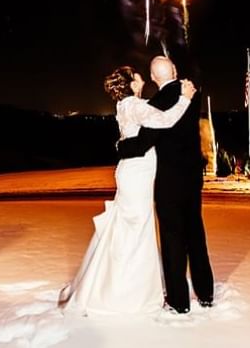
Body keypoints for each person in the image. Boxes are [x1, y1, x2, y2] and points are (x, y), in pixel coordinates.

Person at [58, 65, 197, 315]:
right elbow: (164, 121)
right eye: (137, 76)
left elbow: (132, 135)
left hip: (131, 172)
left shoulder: (126, 105)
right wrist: (185, 99)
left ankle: (115, 283)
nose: (142, 77)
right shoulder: (134, 105)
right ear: (132, 84)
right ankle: (126, 292)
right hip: (137, 174)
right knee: (135, 227)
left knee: (129, 225)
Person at [117, 56, 214, 314]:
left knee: (172, 238)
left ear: (152, 77)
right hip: (192, 176)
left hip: (168, 179)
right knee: (195, 232)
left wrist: (120, 145)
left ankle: (179, 301)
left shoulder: (156, 104)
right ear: (174, 70)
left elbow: (141, 144)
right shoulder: (192, 91)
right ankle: (206, 294)